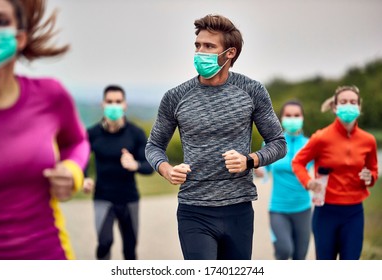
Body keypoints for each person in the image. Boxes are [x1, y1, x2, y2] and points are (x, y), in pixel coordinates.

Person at [145, 14, 287, 260]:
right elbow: (154, 145)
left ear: (229, 53)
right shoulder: (175, 97)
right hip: (193, 209)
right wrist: (165, 168)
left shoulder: (252, 91)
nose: (200, 52)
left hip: (238, 209)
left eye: (209, 46)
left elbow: (278, 143)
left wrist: (249, 160)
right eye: (198, 45)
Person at [0, 0, 89, 259]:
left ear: (20, 38)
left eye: (0, 22)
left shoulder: (50, 95)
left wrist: (72, 172)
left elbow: (77, 142)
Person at [292, 85, 379, 260]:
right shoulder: (321, 138)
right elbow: (298, 162)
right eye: (344, 102)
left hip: (354, 213)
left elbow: (373, 171)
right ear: (335, 107)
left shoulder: (368, 141)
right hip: (326, 212)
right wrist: (308, 182)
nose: (349, 105)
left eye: (353, 102)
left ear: (359, 107)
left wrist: (370, 177)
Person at [83, 85, 153, 260]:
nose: (114, 105)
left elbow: (149, 166)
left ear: (125, 105)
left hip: (129, 199)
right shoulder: (92, 133)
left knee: (130, 249)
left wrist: (135, 164)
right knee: (104, 242)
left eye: (118, 101)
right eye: (109, 101)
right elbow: (81, 159)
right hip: (103, 197)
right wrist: (84, 178)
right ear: (103, 104)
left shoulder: (135, 133)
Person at [256, 100, 312, 260]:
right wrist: (254, 167)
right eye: (288, 115)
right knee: (283, 250)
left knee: (299, 257)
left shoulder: (310, 145)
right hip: (278, 209)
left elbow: (323, 169)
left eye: (296, 115)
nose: (292, 118)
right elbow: (263, 170)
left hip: (303, 209)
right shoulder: (270, 144)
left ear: (302, 118)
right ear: (281, 118)